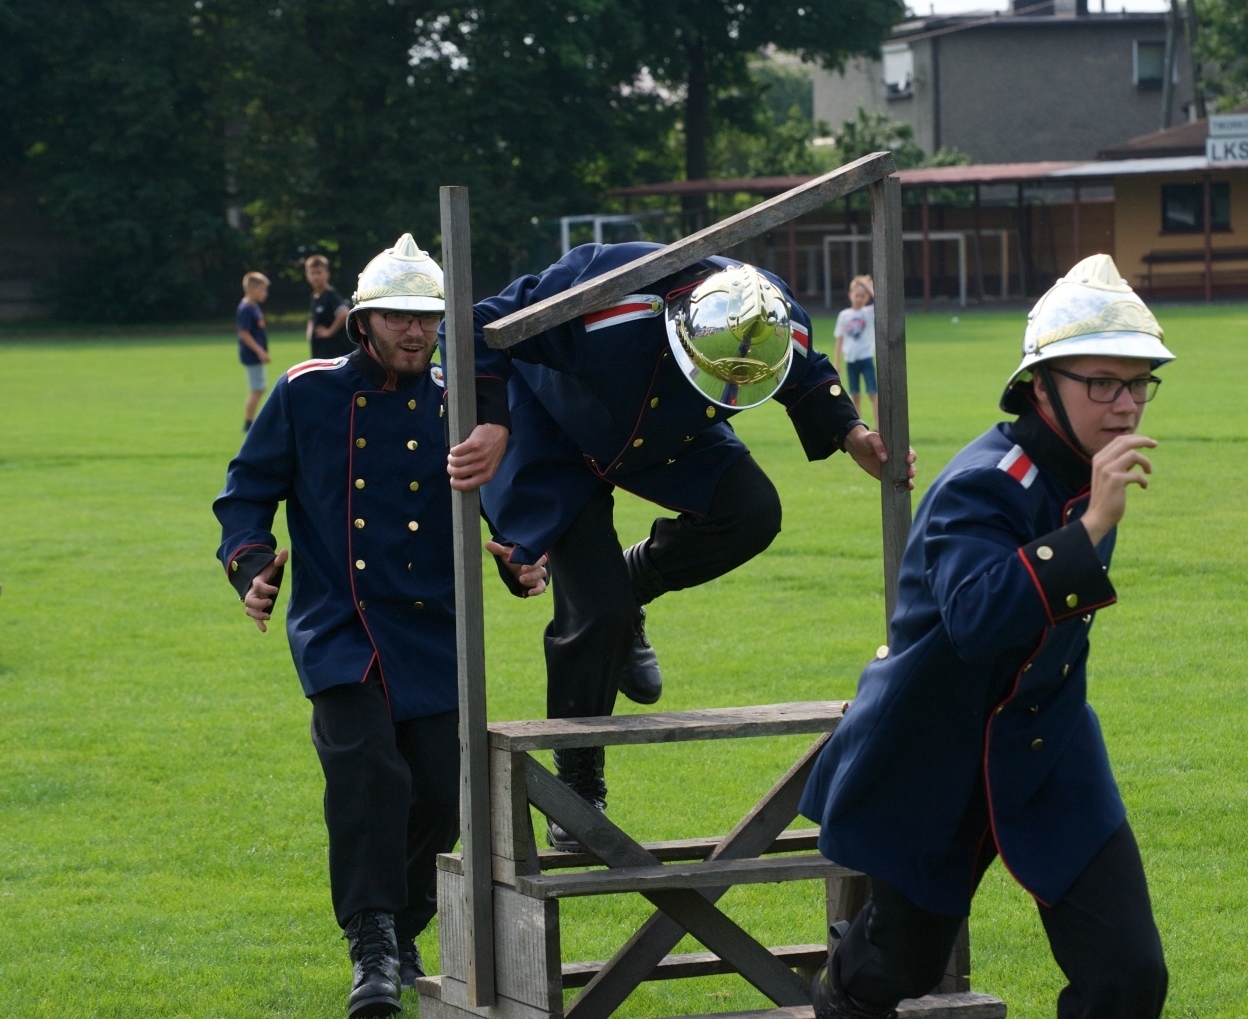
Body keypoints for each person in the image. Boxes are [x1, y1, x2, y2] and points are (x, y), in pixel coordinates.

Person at [800, 255, 1174, 1019]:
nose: (1126, 404)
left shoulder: (1086, 472)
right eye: (1102, 382)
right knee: (899, 963)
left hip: (1049, 742)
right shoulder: (985, 481)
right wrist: (1089, 528)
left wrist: (1088, 518)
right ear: (1040, 385)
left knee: (1129, 975)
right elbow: (975, 620)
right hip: (935, 750)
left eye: (1140, 383)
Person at [447, 243, 915, 849]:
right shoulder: (604, 301)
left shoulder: (775, 318)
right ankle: (577, 786)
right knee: (598, 612)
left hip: (666, 428)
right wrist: (491, 423)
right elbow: (475, 326)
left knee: (752, 512)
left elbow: (806, 370)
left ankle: (631, 584)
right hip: (552, 428)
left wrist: (852, 432)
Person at [214, 233, 545, 1019]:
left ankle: (403, 925)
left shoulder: (459, 401)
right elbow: (246, 490)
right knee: (368, 777)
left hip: (433, 627)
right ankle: (371, 945)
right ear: (363, 322)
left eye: (427, 318)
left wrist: (518, 554)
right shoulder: (306, 391)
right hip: (341, 626)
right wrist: (250, 563)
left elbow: (500, 499)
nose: (415, 331)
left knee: (440, 793)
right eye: (399, 316)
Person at [833, 275, 878, 423]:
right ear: (850, 295)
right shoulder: (844, 315)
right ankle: (860, 425)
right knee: (855, 395)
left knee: (873, 393)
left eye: (862, 296)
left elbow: (879, 302)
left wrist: (868, 286)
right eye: (856, 295)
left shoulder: (868, 312)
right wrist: (837, 362)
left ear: (867, 298)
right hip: (851, 359)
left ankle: (878, 426)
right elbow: (839, 340)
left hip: (866, 357)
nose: (859, 298)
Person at [236, 271, 272, 431]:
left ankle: (251, 421)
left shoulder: (254, 307)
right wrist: (259, 351)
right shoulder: (245, 308)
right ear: (251, 289)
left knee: (259, 387)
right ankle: (248, 423)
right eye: (262, 290)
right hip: (251, 355)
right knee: (257, 388)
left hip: (256, 354)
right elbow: (244, 333)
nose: (265, 293)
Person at [306, 254, 355, 360]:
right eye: (312, 273)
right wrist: (310, 333)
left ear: (327, 274)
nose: (316, 277)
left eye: (319, 273)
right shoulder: (314, 297)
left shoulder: (331, 295)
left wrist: (329, 332)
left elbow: (344, 312)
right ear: (307, 275)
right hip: (320, 352)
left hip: (333, 354)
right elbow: (312, 318)